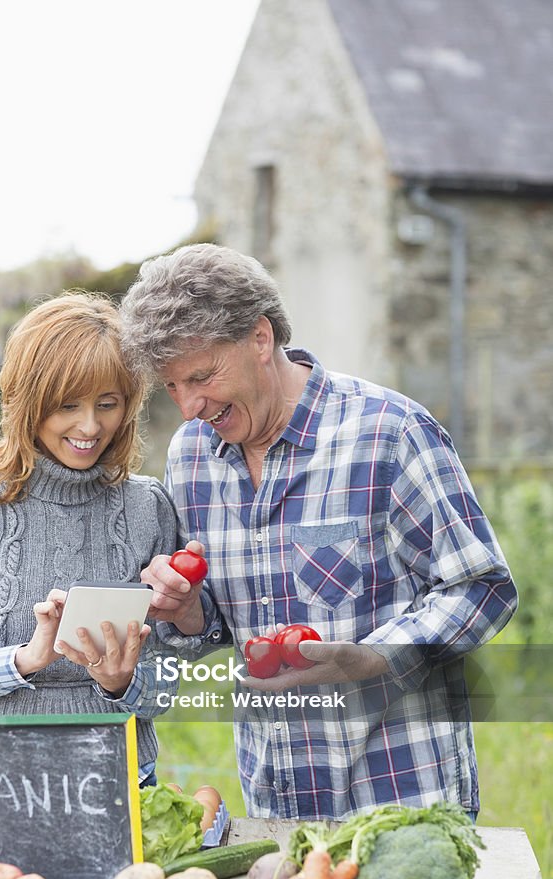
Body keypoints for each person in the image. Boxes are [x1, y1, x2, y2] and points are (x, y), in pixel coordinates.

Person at [120, 243, 518, 818]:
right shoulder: (191, 458)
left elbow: (481, 588)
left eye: (201, 377)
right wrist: (186, 611)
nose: (188, 407)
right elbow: (227, 622)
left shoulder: (389, 432)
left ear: (261, 339)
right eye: (173, 387)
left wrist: (372, 659)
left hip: (401, 800)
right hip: (275, 804)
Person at [0, 291, 203, 786]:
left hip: (115, 779)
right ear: (28, 401)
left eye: (108, 404)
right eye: (68, 406)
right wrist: (24, 660)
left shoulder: (148, 507)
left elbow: (168, 684)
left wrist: (119, 682)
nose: (90, 426)